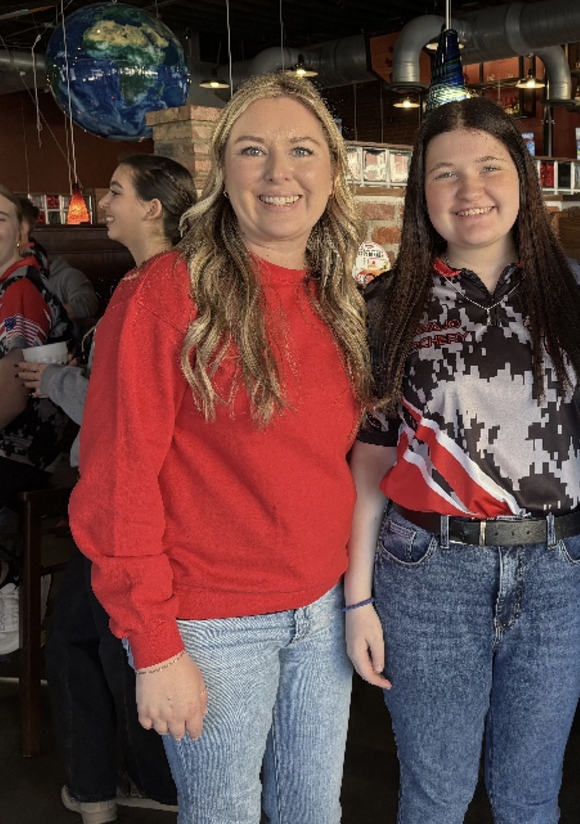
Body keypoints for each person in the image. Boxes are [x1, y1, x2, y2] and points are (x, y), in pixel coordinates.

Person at [69, 73, 372, 824]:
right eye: (253, 150)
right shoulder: (165, 295)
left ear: (331, 174)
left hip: (321, 609)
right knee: (224, 814)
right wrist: (155, 646)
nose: (279, 173)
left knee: (314, 811)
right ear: (222, 173)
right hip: (211, 621)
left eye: (302, 150)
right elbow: (117, 481)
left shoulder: (339, 298)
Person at [346, 95, 580, 824]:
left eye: (489, 168)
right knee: (435, 797)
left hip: (559, 570)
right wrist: (357, 596)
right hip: (426, 569)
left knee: (530, 797)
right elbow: (371, 460)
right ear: (422, 194)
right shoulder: (390, 301)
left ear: (523, 180)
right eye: (445, 174)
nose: (469, 192)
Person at [16, 154, 196, 824]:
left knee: (97, 646)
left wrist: (55, 383)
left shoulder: (151, 289)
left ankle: (133, 786)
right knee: (87, 642)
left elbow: (124, 411)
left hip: (127, 502)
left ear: (153, 208)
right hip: (130, 498)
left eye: (116, 191)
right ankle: (103, 789)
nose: (105, 201)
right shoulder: (160, 283)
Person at [0, 183, 73, 654]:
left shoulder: (19, 290)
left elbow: (10, 400)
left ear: (23, 232)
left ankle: (8, 578)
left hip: (31, 450)